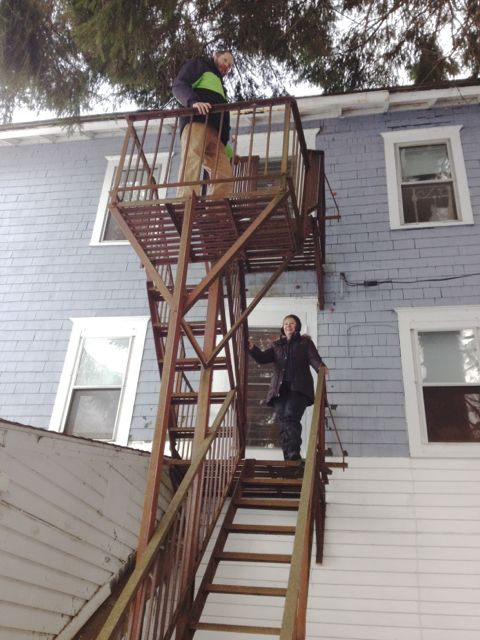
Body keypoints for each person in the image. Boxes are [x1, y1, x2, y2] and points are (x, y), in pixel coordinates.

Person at [247, 314, 328, 461]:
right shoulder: (277, 345)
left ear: (297, 326)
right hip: (279, 391)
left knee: (291, 417)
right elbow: (262, 358)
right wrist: (253, 348)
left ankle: (293, 456)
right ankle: (288, 458)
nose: (288, 326)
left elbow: (313, 358)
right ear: (282, 328)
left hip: (298, 389)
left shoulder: (305, 343)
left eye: (291, 323)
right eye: (285, 324)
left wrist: (321, 368)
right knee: (284, 422)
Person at [172, 50, 234, 199]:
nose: (227, 66)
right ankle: (185, 203)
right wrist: (193, 102)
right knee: (192, 159)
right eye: (225, 60)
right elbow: (179, 85)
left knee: (224, 174)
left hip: (217, 136)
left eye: (230, 65)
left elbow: (224, 117)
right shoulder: (200, 65)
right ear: (215, 56)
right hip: (197, 123)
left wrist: (227, 146)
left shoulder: (221, 87)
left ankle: (217, 208)